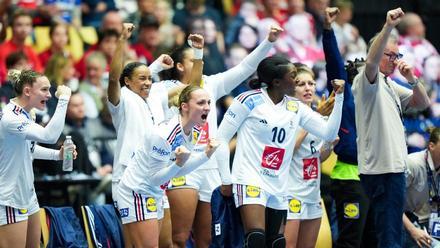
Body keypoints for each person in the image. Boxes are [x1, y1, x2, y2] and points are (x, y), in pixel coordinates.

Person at [162, 25, 283, 248]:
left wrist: (269, 41)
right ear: (179, 66)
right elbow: (191, 89)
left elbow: (246, 67)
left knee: (208, 240)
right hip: (182, 165)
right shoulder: (167, 89)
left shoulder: (211, 84)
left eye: (201, 61)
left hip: (210, 167)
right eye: (193, 61)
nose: (200, 65)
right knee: (179, 238)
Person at [216, 55, 345, 248]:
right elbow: (220, 139)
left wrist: (340, 97)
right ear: (277, 82)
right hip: (250, 177)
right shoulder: (248, 100)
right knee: (256, 238)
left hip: (278, 183)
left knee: (277, 242)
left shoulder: (295, 107)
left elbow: (329, 132)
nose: (296, 80)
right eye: (293, 76)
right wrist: (226, 179)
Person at [107, 23, 201, 248]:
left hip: (156, 179)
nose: (148, 82)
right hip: (129, 180)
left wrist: (198, 53)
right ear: (127, 82)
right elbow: (113, 79)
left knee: (166, 244)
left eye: (150, 78)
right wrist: (122, 40)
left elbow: (194, 86)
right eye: (142, 79)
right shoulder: (122, 101)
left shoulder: (157, 97)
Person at [352, 7, 431, 248]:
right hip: (382, 169)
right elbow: (373, 61)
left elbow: (422, 103)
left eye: (396, 56)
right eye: (389, 55)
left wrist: (412, 79)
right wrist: (388, 27)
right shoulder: (367, 79)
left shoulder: (388, 83)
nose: (394, 61)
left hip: (392, 168)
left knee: (378, 233)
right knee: (390, 237)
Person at [118, 85, 218, 247]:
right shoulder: (164, 135)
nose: (207, 107)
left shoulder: (195, 130)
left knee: (165, 244)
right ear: (184, 107)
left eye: (208, 102)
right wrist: (178, 163)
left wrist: (206, 155)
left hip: (155, 192)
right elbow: (154, 178)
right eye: (200, 103)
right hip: (137, 191)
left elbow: (178, 172)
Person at [0, 69, 72, 247]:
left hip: (27, 193)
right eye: (44, 90)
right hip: (10, 197)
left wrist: (57, 155)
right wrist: (63, 100)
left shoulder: (26, 114)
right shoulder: (11, 118)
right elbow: (50, 136)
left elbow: (29, 149)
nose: (49, 95)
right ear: (27, 91)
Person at [284, 63, 338, 248]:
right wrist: (313, 118)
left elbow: (317, 157)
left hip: (313, 194)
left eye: (311, 83)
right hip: (290, 194)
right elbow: (287, 152)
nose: (308, 88)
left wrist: (330, 145)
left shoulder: (319, 115)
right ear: (291, 87)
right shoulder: (285, 115)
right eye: (301, 84)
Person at [403, 127, 440, 248]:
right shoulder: (413, 164)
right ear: (431, 146)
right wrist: (413, 230)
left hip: (418, 220)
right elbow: (390, 203)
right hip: (396, 219)